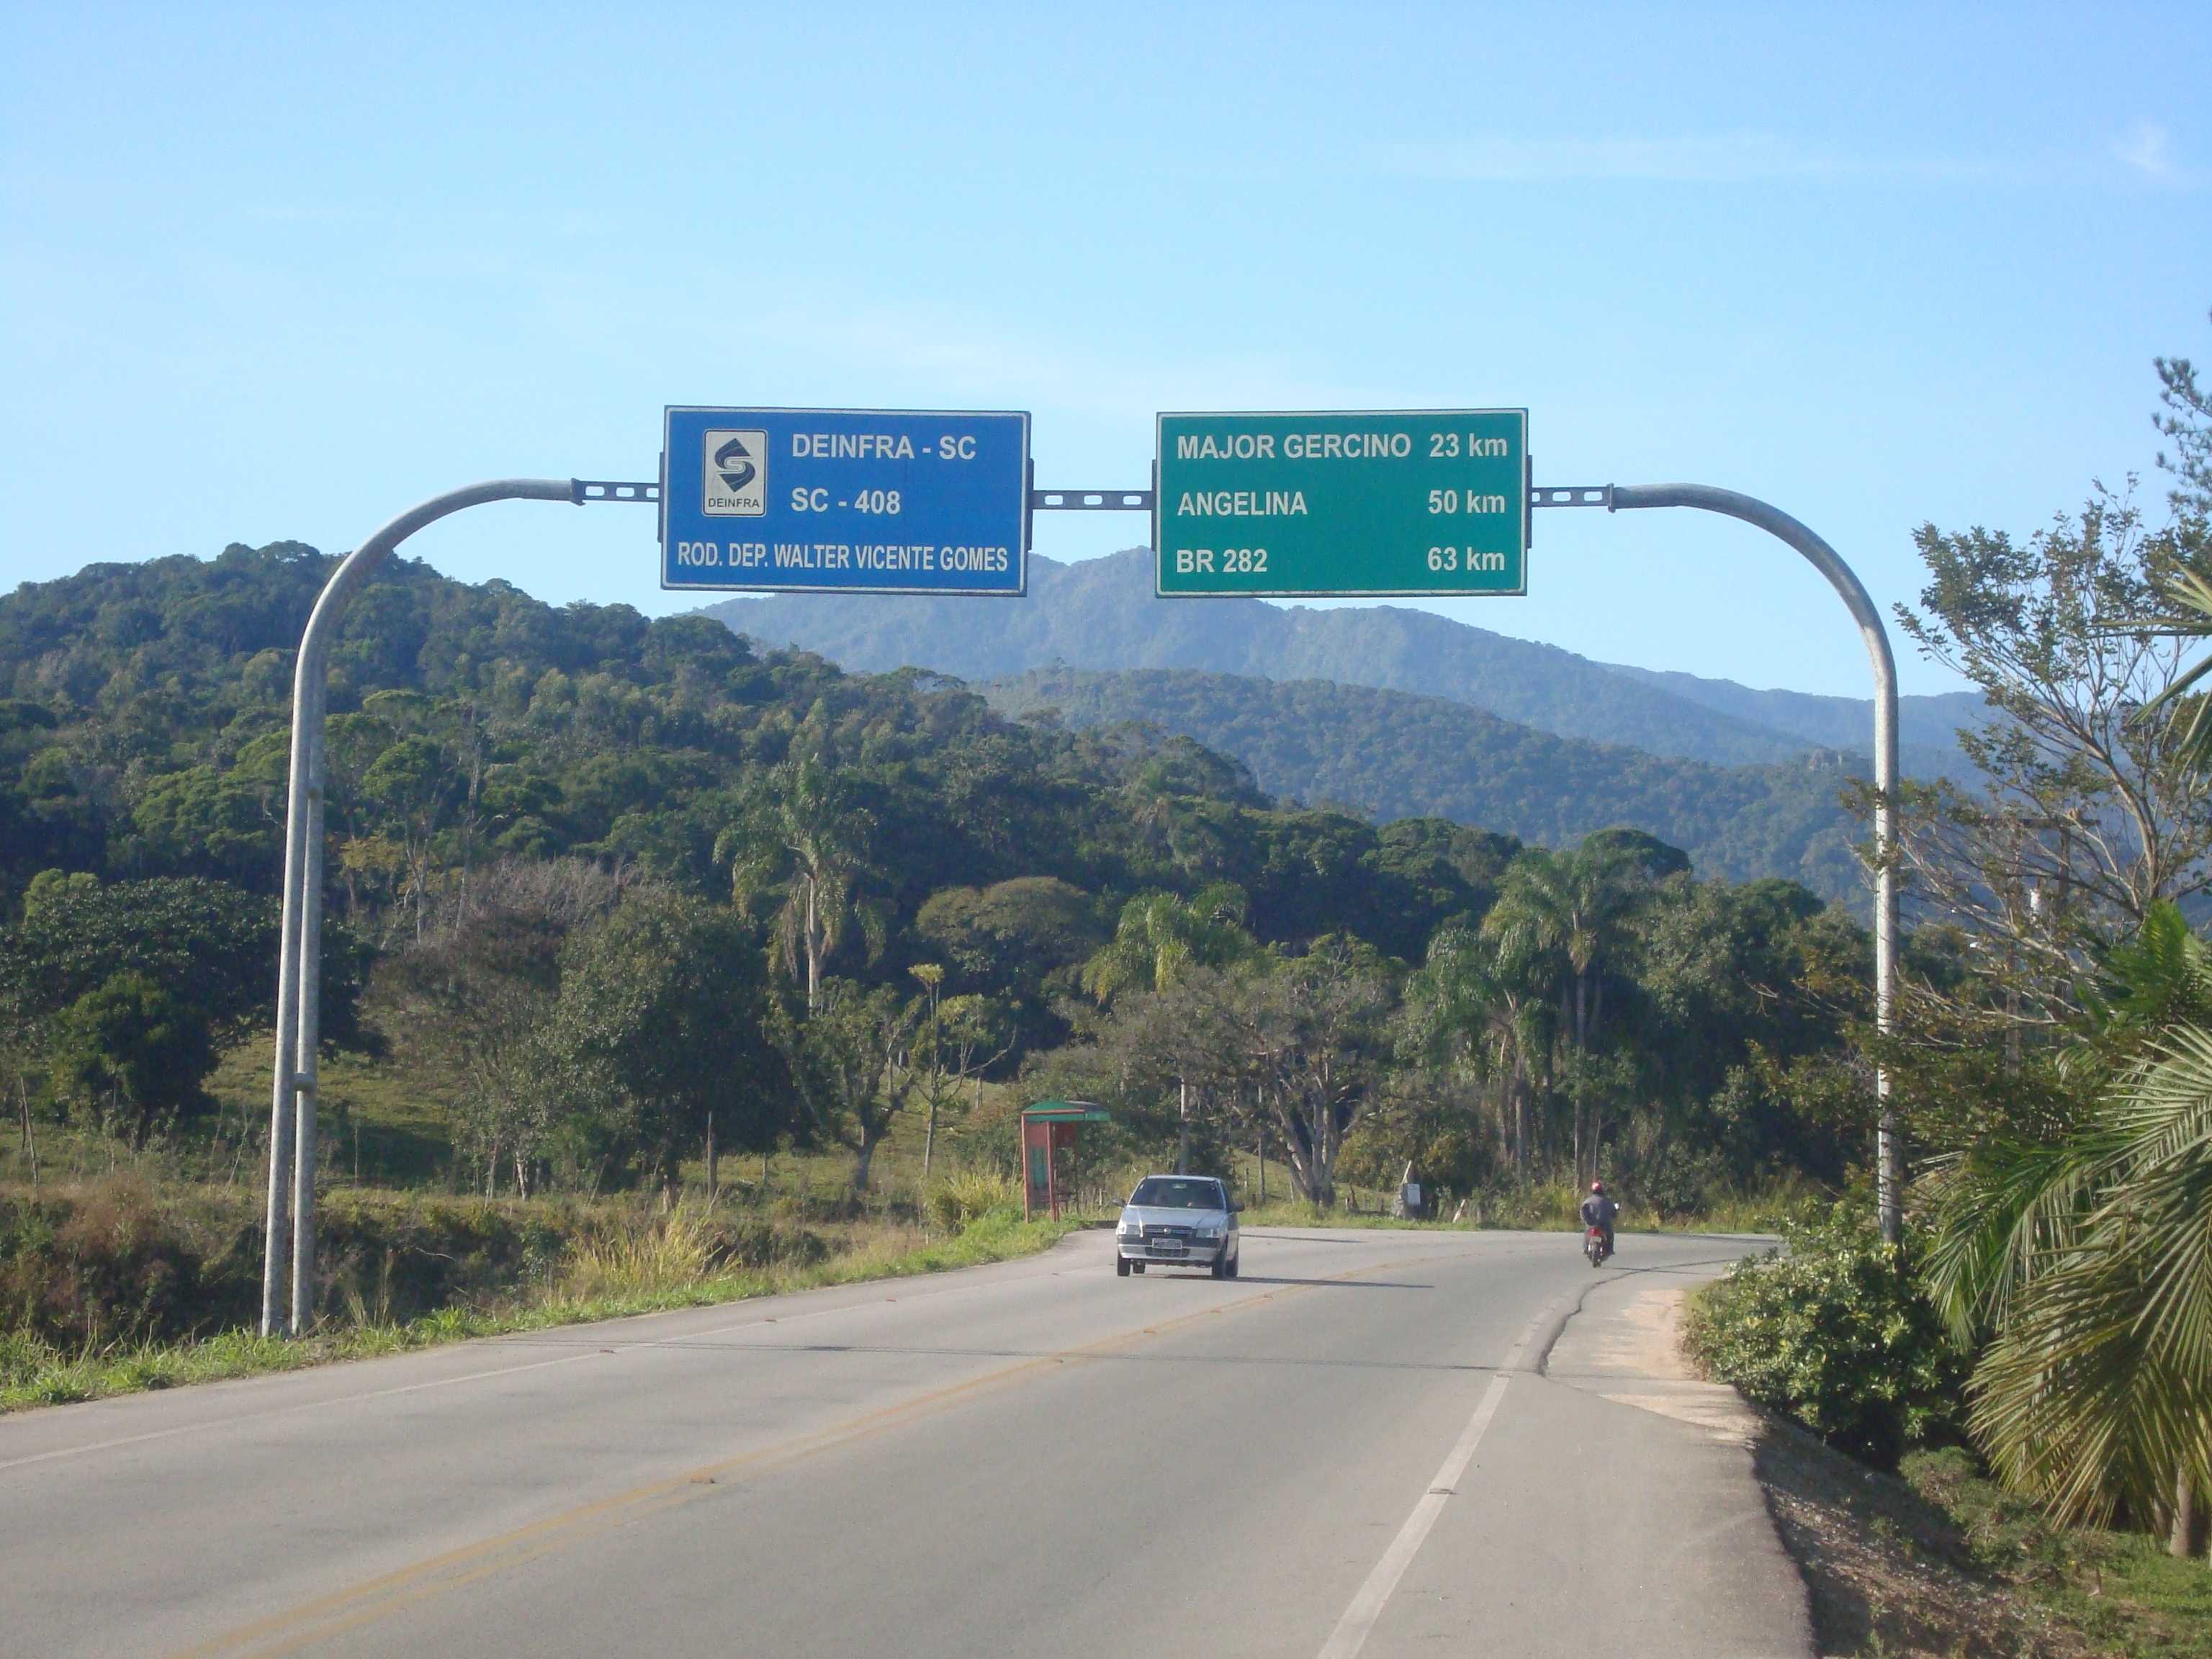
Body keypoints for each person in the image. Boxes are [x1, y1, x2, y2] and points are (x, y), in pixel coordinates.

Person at [1579, 1180, 1617, 1258]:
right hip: (1604, 1224)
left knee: (1587, 1233)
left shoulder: (1588, 1201)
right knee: (1610, 1235)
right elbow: (1613, 1212)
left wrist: (1587, 1220)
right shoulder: (1608, 1201)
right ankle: (1610, 1249)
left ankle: (1585, 1249)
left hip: (1592, 1224)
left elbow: (1583, 1212)